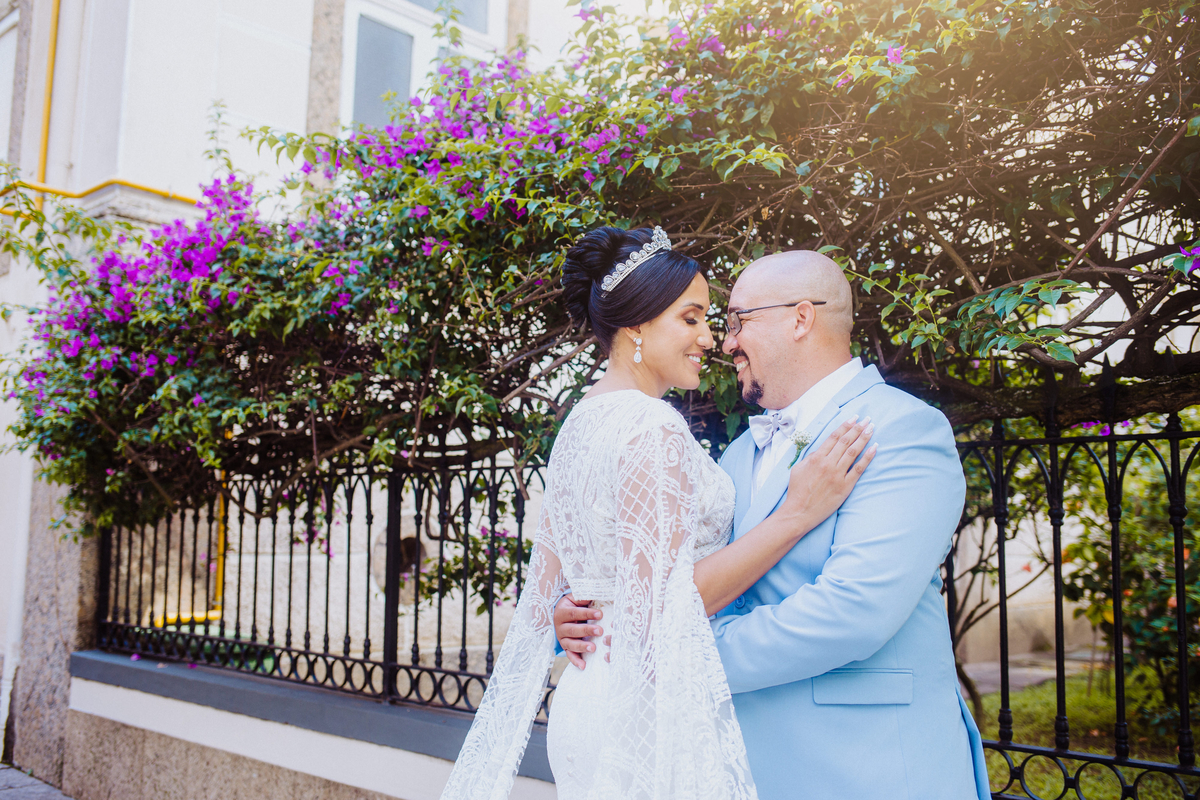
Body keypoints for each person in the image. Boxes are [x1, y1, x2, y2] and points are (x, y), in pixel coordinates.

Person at [439, 229, 875, 800]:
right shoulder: (651, 425)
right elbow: (667, 603)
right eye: (690, 319)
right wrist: (795, 514)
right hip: (642, 703)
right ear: (637, 326)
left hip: (590, 688)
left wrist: (575, 609)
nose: (710, 338)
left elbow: (549, 591)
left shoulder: (579, 421)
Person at [556, 250, 991, 799]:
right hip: (748, 769)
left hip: (867, 767)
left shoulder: (902, 429)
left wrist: (660, 649)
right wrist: (588, 615)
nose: (725, 341)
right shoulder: (738, 455)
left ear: (800, 318)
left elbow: (853, 612)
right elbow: (667, 572)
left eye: (739, 321)